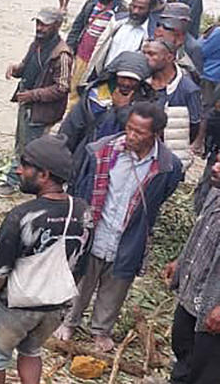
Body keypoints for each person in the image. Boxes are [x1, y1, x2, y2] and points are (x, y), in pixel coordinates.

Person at [0, 136, 92, 384]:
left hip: (17, 305)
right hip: (56, 305)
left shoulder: (23, 216)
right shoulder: (83, 210)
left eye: (26, 167)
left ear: (45, 175)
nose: (20, 171)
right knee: (31, 351)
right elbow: (83, 264)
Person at [61, 103, 183, 351]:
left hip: (130, 234)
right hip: (97, 228)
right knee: (82, 278)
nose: (132, 136)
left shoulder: (167, 166)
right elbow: (81, 184)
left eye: (140, 132)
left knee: (116, 285)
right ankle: (68, 322)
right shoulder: (102, 150)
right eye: (129, 129)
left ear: (156, 134)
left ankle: (101, 330)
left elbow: (161, 196)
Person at [147, 156, 220, 384]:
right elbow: (200, 235)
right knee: (183, 336)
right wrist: (181, 261)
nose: (215, 167)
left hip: (214, 297)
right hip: (194, 284)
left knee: (208, 350)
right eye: (218, 161)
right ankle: (180, 382)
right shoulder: (215, 194)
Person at [0, 8, 73, 198]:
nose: (40, 28)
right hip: (27, 104)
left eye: (45, 24)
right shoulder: (37, 44)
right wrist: (16, 69)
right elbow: (28, 66)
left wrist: (33, 95)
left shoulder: (62, 55)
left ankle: (13, 181)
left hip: (40, 110)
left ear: (57, 26)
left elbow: (62, 88)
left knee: (30, 148)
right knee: (21, 143)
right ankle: (20, 176)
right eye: (38, 23)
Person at [58, 51, 152, 175]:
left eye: (133, 80)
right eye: (123, 77)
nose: (127, 83)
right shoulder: (94, 95)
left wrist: (122, 108)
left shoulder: (145, 104)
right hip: (86, 157)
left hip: (119, 165)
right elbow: (72, 127)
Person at [65, 0, 125, 105]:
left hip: (100, 58)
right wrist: (69, 46)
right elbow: (78, 24)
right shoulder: (92, 2)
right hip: (83, 53)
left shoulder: (121, 9)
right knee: (73, 87)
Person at [143, 38, 201, 165]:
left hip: (166, 157)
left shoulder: (188, 90)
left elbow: (193, 125)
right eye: (144, 53)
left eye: (152, 54)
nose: (146, 57)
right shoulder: (142, 81)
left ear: (169, 57)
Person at [85, 0, 157, 79]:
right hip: (104, 75)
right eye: (133, 6)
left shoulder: (152, 33)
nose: (135, 11)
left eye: (141, 8)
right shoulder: (117, 21)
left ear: (151, 9)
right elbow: (100, 48)